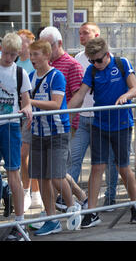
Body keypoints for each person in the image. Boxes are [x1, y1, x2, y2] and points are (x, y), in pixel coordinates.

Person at [68, 37, 136, 227]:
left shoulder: (121, 63)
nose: (96, 64)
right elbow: (80, 96)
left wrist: (125, 95)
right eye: (92, 61)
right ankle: (92, 212)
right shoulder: (91, 71)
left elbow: (135, 89)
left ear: (107, 55)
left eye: (99, 60)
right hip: (100, 124)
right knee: (97, 167)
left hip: (122, 124)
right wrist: (63, 112)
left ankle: (135, 206)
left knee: (122, 167)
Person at [28, 39, 82, 235]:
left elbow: (57, 103)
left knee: (57, 176)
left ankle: (72, 207)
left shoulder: (56, 76)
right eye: (31, 55)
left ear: (46, 56)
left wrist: (29, 102)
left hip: (57, 131)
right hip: (37, 132)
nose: (33, 58)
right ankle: (51, 217)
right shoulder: (31, 76)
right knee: (42, 177)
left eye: (36, 54)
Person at [70, 22, 119, 209]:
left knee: (109, 161)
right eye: (80, 33)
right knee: (74, 158)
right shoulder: (79, 59)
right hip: (83, 118)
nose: (82, 36)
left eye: (86, 33)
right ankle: (70, 198)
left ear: (97, 35)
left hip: (103, 119)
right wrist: (66, 112)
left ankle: (111, 196)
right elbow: (79, 92)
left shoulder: (110, 59)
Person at [39, 26, 88, 211]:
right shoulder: (45, 65)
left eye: (47, 46)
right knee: (55, 169)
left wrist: (63, 115)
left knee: (57, 169)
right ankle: (77, 199)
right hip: (46, 125)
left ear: (58, 44)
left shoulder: (72, 65)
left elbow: (78, 96)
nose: (44, 51)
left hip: (65, 125)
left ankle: (64, 205)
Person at [0, 32, 33, 240]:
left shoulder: (20, 73)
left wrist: (28, 108)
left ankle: (20, 222)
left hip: (11, 126)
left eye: (13, 55)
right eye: (6, 53)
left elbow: (26, 100)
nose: (8, 58)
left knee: (14, 173)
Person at [15, 29, 43, 211]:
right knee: (22, 155)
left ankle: (32, 192)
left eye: (22, 42)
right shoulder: (15, 62)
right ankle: (31, 192)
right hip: (15, 113)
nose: (19, 45)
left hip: (32, 114)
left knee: (27, 154)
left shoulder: (33, 65)